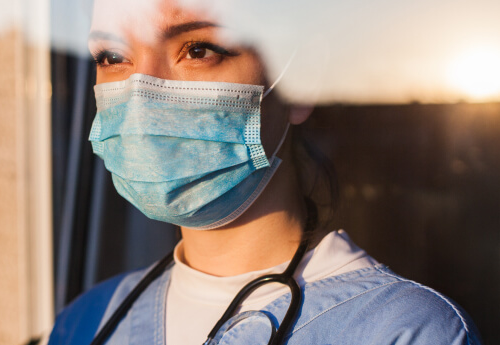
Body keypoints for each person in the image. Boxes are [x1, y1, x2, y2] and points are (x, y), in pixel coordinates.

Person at [48, 0, 482, 344]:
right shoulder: (85, 322)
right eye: (112, 56)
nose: (142, 96)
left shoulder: (405, 332)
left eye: (198, 50)